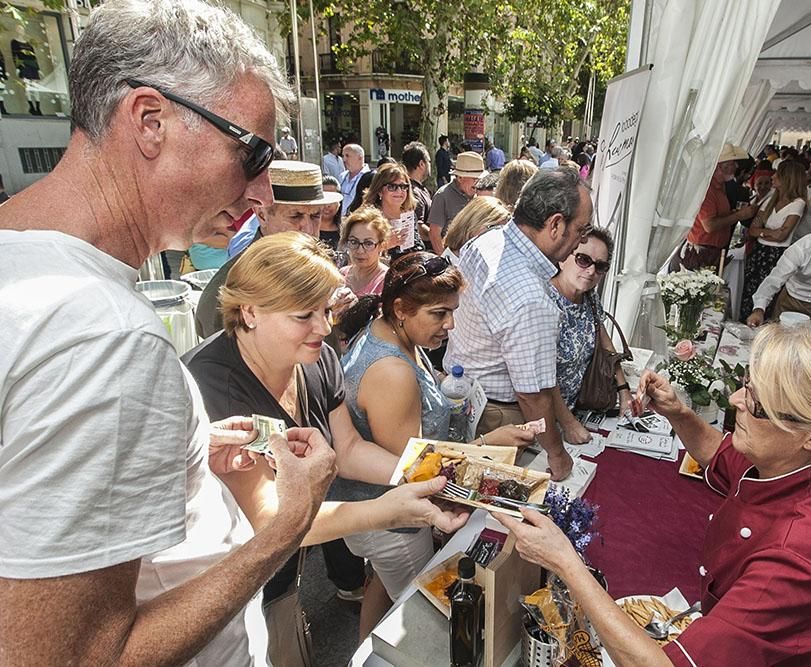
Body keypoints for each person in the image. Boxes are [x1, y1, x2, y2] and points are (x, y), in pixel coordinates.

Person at [0, 1, 334, 664]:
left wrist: (177, 458)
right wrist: (285, 530)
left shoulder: (25, 262)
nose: (264, 193)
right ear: (149, 121)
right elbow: (78, 655)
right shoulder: (106, 338)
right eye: (254, 153)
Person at [495, 322, 811, 667]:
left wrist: (565, 562)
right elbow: (726, 460)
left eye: (755, 401)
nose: (733, 401)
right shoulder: (800, 461)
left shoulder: (804, 553)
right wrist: (679, 414)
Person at [183, 233, 467, 653]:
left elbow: (347, 450)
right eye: (303, 315)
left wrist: (431, 475)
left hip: (280, 565)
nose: (324, 326)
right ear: (249, 311)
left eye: (325, 309)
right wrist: (387, 508)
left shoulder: (316, 356)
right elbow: (269, 518)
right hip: (221, 583)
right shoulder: (213, 386)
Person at [339, 251, 534, 637]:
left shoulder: (388, 333)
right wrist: (487, 442)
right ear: (401, 308)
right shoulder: (391, 371)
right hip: (394, 527)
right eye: (440, 314)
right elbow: (417, 470)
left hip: (379, 518)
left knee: (381, 585)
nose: (451, 324)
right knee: (425, 624)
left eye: (453, 312)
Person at [444, 167, 592, 481]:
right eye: (581, 229)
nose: (582, 241)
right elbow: (532, 395)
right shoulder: (528, 295)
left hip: (468, 396)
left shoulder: (489, 240)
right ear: (555, 224)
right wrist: (557, 455)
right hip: (499, 416)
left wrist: (566, 421)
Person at [195, 160, 342, 339]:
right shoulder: (232, 285)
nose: (309, 229)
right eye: (295, 216)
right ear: (262, 215)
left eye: (315, 216)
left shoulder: (319, 265)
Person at [550, 228, 632, 441]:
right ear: (562, 259)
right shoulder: (544, 301)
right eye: (583, 260)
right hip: (544, 419)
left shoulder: (589, 297)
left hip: (577, 409)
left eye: (600, 266)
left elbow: (605, 343)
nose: (591, 271)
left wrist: (624, 390)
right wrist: (568, 423)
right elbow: (541, 378)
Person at [668, 143, 757, 272]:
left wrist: (734, 213)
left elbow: (715, 217)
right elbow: (709, 225)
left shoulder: (720, 186)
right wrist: (740, 215)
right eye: (733, 163)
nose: (736, 166)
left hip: (710, 251)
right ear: (721, 167)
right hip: (701, 252)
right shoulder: (708, 189)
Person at [740, 161, 807, 320]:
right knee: (749, 293)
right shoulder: (771, 197)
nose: (773, 176)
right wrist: (769, 233)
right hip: (759, 252)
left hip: (776, 255)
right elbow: (753, 229)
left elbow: (782, 236)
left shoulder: (798, 203)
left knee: (769, 294)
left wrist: (762, 232)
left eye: (778, 174)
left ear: (787, 178)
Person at [360, 161, 423, 257]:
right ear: (380, 190)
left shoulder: (409, 215)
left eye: (403, 186)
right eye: (392, 187)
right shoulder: (369, 220)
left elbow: (417, 246)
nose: (399, 191)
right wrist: (385, 245)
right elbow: (358, 253)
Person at [428, 151, 482, 254]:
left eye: (480, 178)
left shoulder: (480, 195)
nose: (478, 183)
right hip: (453, 258)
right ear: (460, 178)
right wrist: (445, 261)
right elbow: (434, 234)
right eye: (475, 179)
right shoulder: (443, 196)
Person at [340, 206, 391, 296]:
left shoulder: (387, 282)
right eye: (354, 242)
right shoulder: (341, 275)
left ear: (382, 246)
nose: (360, 251)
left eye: (368, 243)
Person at [442, 195, 510, 260]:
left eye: (502, 229)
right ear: (473, 223)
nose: (497, 234)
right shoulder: (449, 266)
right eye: (493, 227)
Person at [401, 141, 433, 245]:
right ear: (421, 164)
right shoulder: (413, 192)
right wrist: (438, 237)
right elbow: (417, 227)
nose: (430, 165)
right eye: (429, 161)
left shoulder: (418, 189)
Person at [339, 143, 370, 211]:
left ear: (360, 157)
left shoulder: (369, 178)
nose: (344, 160)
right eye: (343, 156)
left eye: (347, 156)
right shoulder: (342, 176)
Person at [319, 175, 344, 249]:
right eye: (324, 199)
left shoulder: (347, 230)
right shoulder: (304, 228)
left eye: (332, 199)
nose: (327, 205)